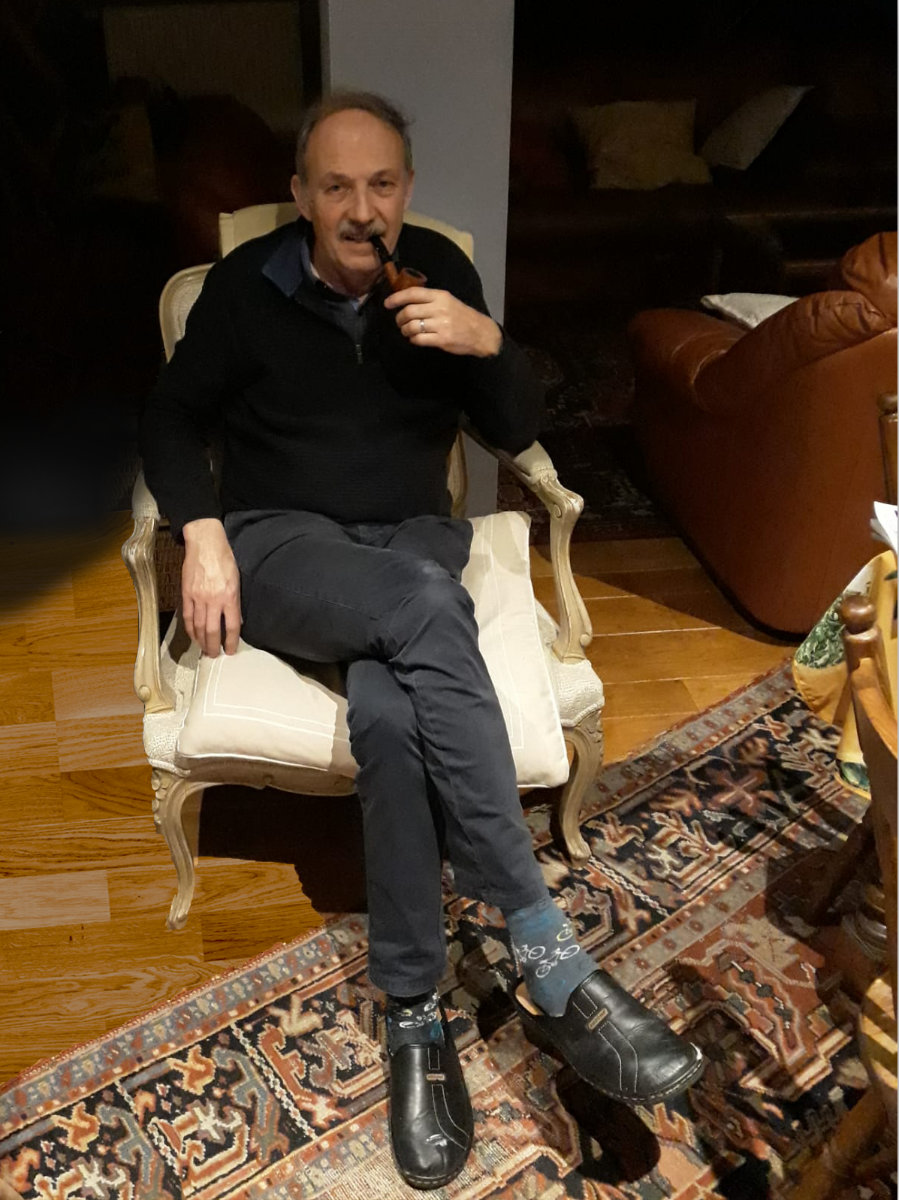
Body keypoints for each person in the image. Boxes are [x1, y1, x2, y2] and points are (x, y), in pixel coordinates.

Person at [141, 90, 704, 1190]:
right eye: (336, 187)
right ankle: (541, 940)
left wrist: (487, 343)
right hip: (281, 546)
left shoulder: (436, 270)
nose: (362, 209)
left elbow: (514, 425)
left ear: (405, 190)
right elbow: (170, 415)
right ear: (300, 196)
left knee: (395, 719)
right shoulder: (244, 288)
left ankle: (410, 1009)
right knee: (423, 608)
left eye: (382, 185)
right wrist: (201, 532)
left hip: (408, 545)